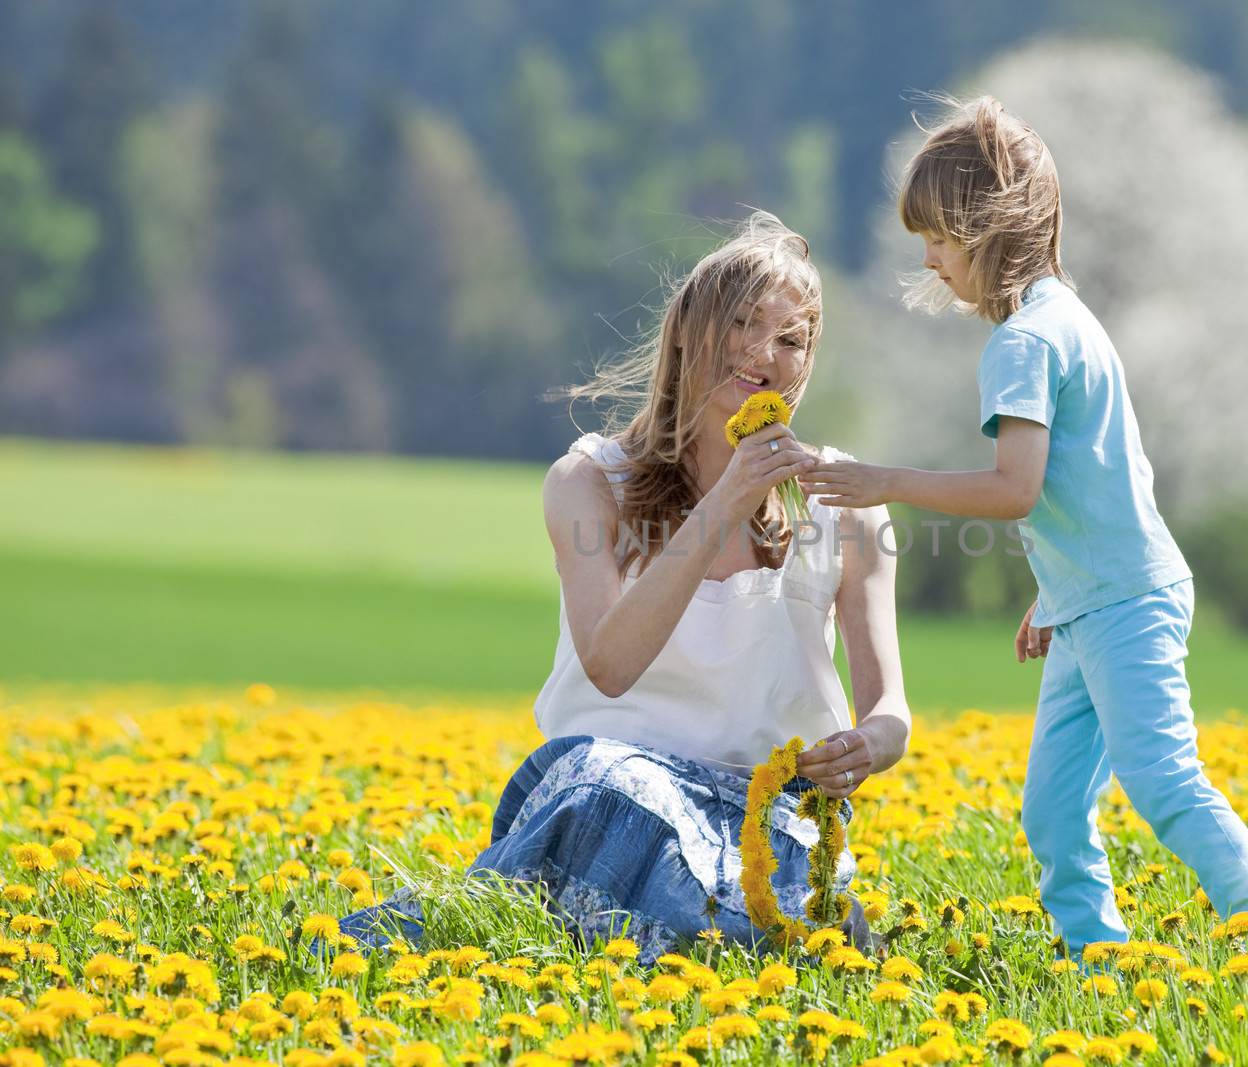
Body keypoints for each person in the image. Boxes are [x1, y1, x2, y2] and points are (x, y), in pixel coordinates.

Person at [797, 97, 1248, 962]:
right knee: (1053, 808)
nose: (931, 259)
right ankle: (1098, 956)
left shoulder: (1023, 342)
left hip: (1124, 604)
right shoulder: (1066, 317)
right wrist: (1056, 591)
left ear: (989, 228)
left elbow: (1015, 490)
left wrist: (886, 481)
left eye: (939, 236)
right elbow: (1089, 486)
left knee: (1163, 781)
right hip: (1096, 600)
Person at [322, 211, 910, 965]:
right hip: (609, 793)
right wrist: (725, 501)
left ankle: (719, 935)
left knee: (766, 885)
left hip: (766, 812)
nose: (764, 353)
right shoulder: (588, 483)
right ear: (686, 336)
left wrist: (871, 744)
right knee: (615, 793)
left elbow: (890, 706)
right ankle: (720, 939)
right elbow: (610, 662)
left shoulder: (842, 500)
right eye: (741, 323)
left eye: (792, 339)